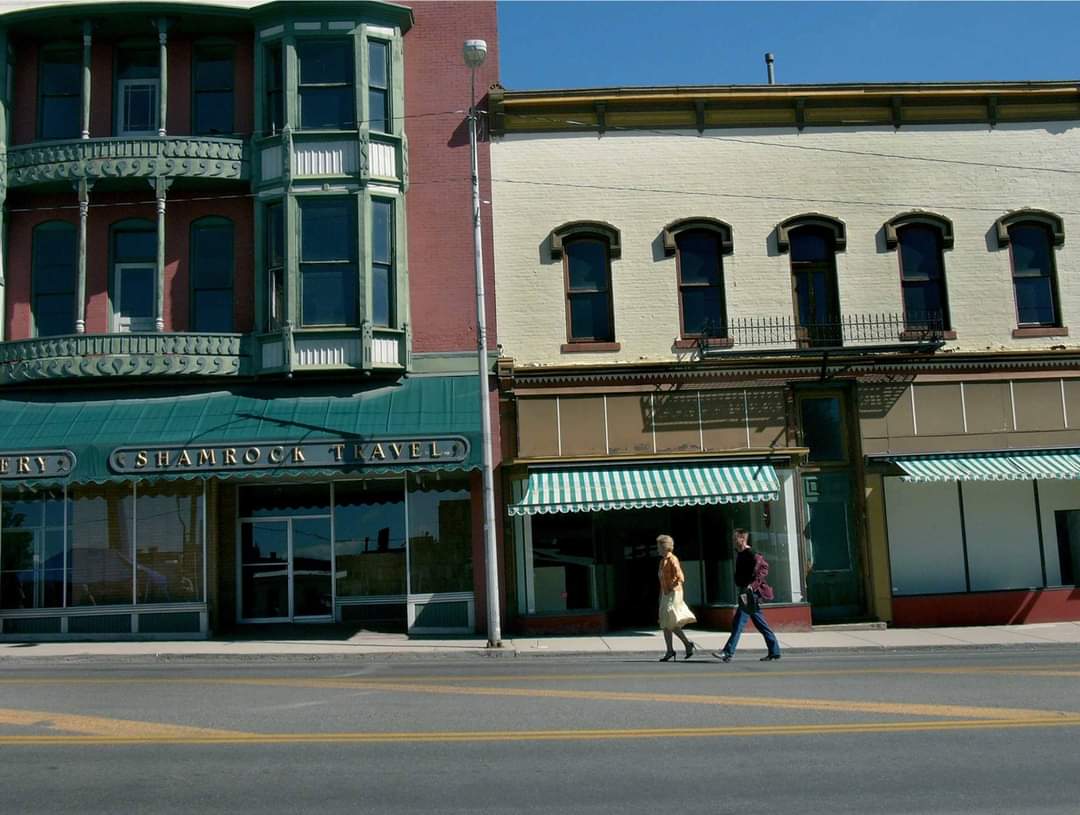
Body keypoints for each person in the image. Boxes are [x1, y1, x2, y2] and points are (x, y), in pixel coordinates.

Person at [713, 528, 781, 663]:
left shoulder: (751, 553)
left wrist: (752, 585)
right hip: (745, 592)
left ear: (742, 539)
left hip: (750, 594)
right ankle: (775, 651)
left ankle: (727, 652)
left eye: (735, 539)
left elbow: (764, 568)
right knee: (760, 624)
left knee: (738, 623)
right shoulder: (741, 554)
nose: (733, 541)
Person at [656, 534, 698, 661]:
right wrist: (661, 595)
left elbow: (680, 577)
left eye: (659, 546)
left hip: (674, 593)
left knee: (670, 620)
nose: (658, 549)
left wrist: (671, 588)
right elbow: (662, 581)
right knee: (665, 622)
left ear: (665, 547)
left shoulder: (673, 559)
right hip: (665, 593)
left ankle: (683, 645)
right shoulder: (662, 561)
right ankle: (673, 649)